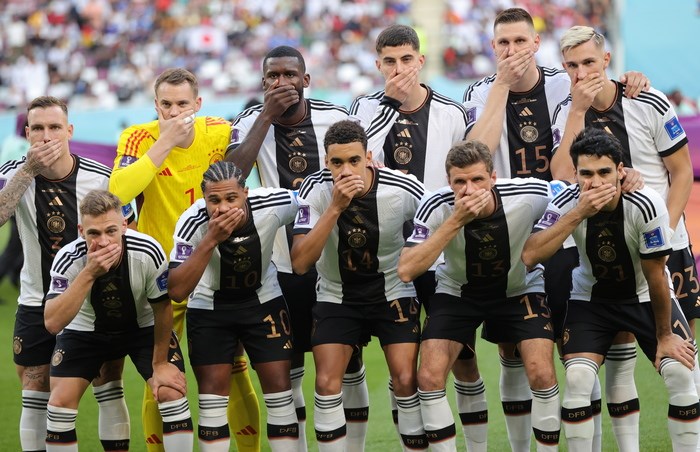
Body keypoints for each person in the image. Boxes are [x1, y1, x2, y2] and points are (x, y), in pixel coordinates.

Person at [462, 8, 648, 449]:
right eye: (503, 42)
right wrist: (501, 86)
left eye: (519, 41)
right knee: (512, 350)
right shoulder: (479, 91)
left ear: (536, 43)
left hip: (567, 230)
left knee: (580, 351)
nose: (512, 50)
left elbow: (609, 97)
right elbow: (477, 156)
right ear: (493, 47)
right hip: (509, 235)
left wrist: (634, 80)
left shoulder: (565, 82)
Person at [551, 26, 698, 450]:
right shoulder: (565, 111)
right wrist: (577, 112)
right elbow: (560, 176)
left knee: (682, 354)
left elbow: (682, 173)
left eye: (589, 62)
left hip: (664, 242)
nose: (582, 73)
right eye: (572, 65)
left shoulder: (647, 100)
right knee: (617, 358)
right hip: (603, 249)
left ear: (606, 59)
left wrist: (664, 232)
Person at [109, 68, 260, 452]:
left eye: (182, 104)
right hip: (161, 277)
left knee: (234, 371)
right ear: (155, 105)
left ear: (198, 103)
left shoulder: (219, 131)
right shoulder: (138, 137)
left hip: (216, 271)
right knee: (162, 377)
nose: (174, 112)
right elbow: (118, 192)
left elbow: (248, 179)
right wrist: (165, 143)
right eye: (166, 105)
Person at [522, 128, 699, 451]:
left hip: (644, 296)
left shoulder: (646, 203)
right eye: (586, 174)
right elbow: (531, 255)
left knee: (680, 374)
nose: (596, 182)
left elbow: (656, 275)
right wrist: (580, 212)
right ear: (575, 174)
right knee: (577, 379)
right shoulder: (566, 202)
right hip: (591, 300)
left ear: (620, 171)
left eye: (604, 172)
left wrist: (664, 336)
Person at [226, 46, 368, 450]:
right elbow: (232, 176)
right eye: (273, 76)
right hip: (281, 264)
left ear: (306, 80)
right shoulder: (249, 122)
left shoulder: (335, 117)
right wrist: (266, 116)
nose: (282, 82)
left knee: (349, 364)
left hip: (336, 261)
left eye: (290, 75)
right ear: (263, 83)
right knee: (289, 367)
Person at [349, 24, 482, 448]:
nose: (399, 68)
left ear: (421, 60)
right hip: (387, 259)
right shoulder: (363, 109)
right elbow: (358, 163)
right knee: (402, 365)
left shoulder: (452, 113)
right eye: (389, 61)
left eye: (407, 59)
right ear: (378, 65)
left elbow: (468, 178)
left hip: (441, 256)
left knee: (463, 358)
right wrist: (389, 103)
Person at [399, 140, 561, 451]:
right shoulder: (436, 204)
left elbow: (572, 191)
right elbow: (406, 270)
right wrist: (455, 221)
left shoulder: (529, 194)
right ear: (449, 182)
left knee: (541, 373)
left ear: (493, 177)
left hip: (518, 289)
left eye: (477, 179)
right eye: (459, 181)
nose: (469, 189)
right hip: (457, 292)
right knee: (429, 378)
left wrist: (629, 179)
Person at [0, 96, 130, 452]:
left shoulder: (100, 176)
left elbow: (126, 232)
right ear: (27, 133)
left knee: (108, 384)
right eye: (38, 128)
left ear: (69, 130)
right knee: (34, 387)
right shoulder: (14, 173)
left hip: (94, 301)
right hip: (36, 300)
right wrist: (28, 171)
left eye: (55, 127)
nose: (47, 136)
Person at [290, 120, 427, 451]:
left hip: (392, 292)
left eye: (354, 160)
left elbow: (438, 221)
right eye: (337, 162)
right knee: (326, 383)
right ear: (326, 162)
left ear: (368, 157)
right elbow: (301, 262)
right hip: (336, 295)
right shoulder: (314, 190)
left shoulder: (403, 188)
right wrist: (335, 207)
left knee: (406, 379)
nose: (346, 170)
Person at [43, 190, 193, 452]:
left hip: (142, 327)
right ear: (81, 231)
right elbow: (53, 323)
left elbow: (162, 308)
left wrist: (159, 363)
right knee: (59, 405)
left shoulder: (148, 250)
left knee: (171, 391)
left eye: (111, 231)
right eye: (94, 233)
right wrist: (89, 273)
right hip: (86, 330)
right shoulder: (68, 258)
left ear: (124, 225)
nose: (103, 242)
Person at [168, 161, 300, 452]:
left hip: (263, 300)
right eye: (214, 200)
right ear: (204, 199)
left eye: (231, 198)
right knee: (212, 400)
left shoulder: (272, 203)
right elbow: (177, 290)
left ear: (246, 193)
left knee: (280, 391)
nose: (223, 208)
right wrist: (210, 239)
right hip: (209, 307)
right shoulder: (192, 221)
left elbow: (312, 199)